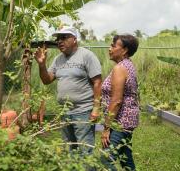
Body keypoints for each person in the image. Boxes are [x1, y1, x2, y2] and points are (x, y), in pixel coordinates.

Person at [34, 26, 102, 154]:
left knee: (85, 150)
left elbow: (98, 82)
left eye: (64, 37)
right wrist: (42, 65)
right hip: (64, 112)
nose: (59, 41)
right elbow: (47, 80)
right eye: (58, 39)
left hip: (83, 111)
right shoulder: (58, 59)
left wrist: (96, 108)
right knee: (70, 149)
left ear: (74, 39)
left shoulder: (86, 56)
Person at [101, 34, 139, 171]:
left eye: (113, 45)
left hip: (120, 123)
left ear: (124, 50)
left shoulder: (120, 68)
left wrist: (106, 128)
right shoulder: (127, 65)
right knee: (126, 160)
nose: (109, 48)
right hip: (125, 121)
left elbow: (116, 101)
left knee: (106, 158)